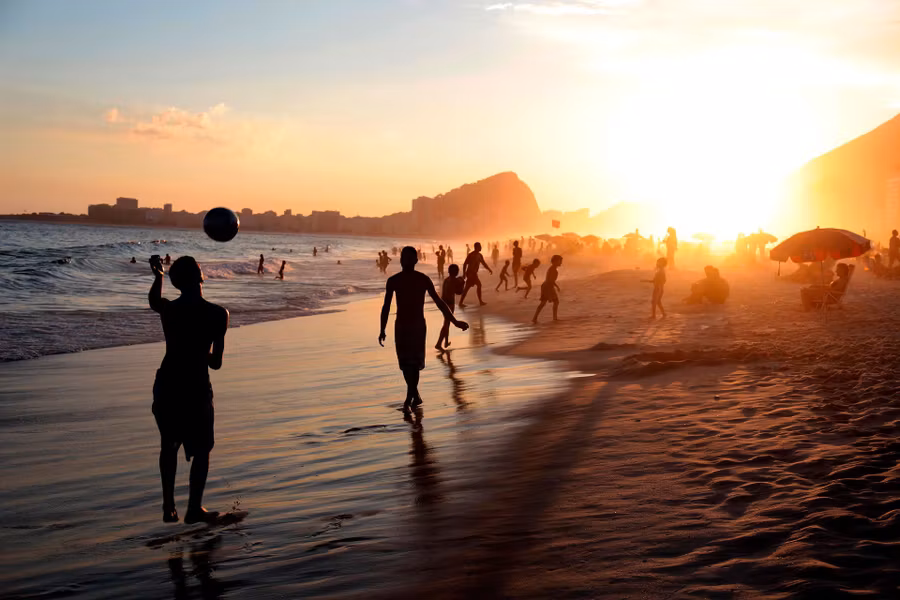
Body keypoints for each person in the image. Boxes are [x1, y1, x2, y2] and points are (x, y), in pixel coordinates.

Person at [148, 255, 229, 525]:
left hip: (168, 382)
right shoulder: (218, 314)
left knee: (169, 445)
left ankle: (169, 505)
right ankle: (194, 508)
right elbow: (216, 363)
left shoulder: (170, 310)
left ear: (177, 283)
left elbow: (153, 302)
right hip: (195, 385)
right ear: (201, 276)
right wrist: (199, 349)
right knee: (203, 449)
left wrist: (158, 275)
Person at [379, 247, 468, 410]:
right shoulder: (394, 281)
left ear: (415, 260)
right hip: (401, 326)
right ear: (400, 260)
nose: (405, 261)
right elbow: (386, 306)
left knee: (415, 362)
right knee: (405, 363)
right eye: (403, 257)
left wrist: (455, 322)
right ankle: (414, 393)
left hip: (418, 325)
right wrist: (382, 329)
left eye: (409, 258)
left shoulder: (423, 279)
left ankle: (410, 396)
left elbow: (439, 303)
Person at [436, 264, 463, 350]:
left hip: (443, 302)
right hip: (449, 303)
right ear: (456, 272)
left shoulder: (446, 279)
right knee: (447, 323)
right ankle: (439, 343)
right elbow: (459, 292)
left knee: (446, 323)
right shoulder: (454, 280)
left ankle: (445, 342)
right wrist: (462, 283)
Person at [459, 242, 493, 308]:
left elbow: (484, 263)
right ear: (476, 247)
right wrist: (464, 273)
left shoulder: (480, 255)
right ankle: (462, 302)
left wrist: (489, 269)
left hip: (474, 274)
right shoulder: (471, 255)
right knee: (470, 287)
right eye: (480, 246)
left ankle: (479, 301)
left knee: (472, 286)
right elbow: (465, 264)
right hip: (470, 273)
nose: (481, 248)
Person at [532, 255, 562, 324]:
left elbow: (550, 280)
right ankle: (554, 318)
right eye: (559, 261)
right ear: (554, 262)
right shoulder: (554, 270)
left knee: (543, 303)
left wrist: (556, 286)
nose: (561, 262)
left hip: (546, 286)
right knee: (555, 302)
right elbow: (550, 281)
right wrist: (552, 290)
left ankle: (535, 318)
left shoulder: (552, 268)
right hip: (548, 286)